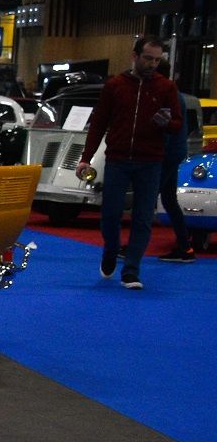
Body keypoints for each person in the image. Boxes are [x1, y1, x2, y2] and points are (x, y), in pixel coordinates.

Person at [76, 35, 181, 289]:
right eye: (148, 58)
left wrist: (166, 123)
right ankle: (111, 250)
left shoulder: (166, 88)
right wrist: (85, 159)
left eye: (157, 60)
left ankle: (131, 270)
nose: (152, 64)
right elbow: (99, 124)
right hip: (118, 160)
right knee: (110, 215)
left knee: (143, 217)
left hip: (150, 161)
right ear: (134, 56)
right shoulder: (115, 86)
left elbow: (177, 125)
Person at [155, 59, 198, 263]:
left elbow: (167, 129)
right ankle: (185, 247)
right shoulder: (174, 94)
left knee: (147, 199)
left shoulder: (167, 95)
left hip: (167, 154)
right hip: (173, 152)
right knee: (169, 200)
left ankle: (134, 247)